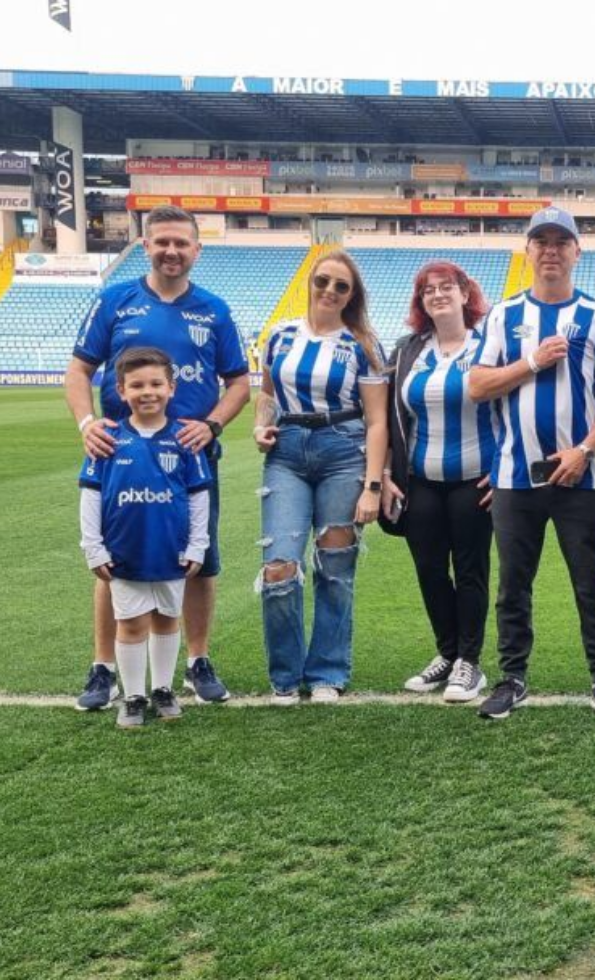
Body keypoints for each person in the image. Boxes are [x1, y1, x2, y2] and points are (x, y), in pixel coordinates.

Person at [65, 204, 250, 712]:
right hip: (120, 455)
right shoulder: (115, 301)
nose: (172, 251)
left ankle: (197, 660)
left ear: (197, 249)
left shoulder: (214, 310)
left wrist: (211, 424)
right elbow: (78, 371)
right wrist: (87, 425)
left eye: (181, 243)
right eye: (162, 241)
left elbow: (239, 383)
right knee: (113, 562)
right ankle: (104, 666)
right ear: (146, 246)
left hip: (190, 458)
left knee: (198, 559)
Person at [467, 205, 595, 723]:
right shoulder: (504, 315)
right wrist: (532, 362)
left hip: (582, 475)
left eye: (562, 242)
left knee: (593, 581)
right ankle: (512, 677)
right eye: (542, 241)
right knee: (513, 582)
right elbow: (477, 384)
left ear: (577, 252)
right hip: (516, 476)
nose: (552, 250)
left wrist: (585, 449)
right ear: (529, 250)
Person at [252, 250, 388, 705]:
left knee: (335, 568)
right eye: (323, 281)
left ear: (352, 296)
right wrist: (260, 425)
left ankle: (328, 672)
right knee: (280, 567)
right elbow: (267, 394)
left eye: (341, 286)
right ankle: (286, 676)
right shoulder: (279, 335)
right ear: (310, 282)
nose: (330, 291)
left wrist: (372, 485)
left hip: (343, 452)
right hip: (287, 453)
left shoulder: (362, 345)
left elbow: (377, 422)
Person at [78, 347, 212, 729]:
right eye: (136, 385)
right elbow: (90, 495)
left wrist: (197, 544)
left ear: (171, 387)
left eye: (156, 383)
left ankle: (163, 689)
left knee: (168, 620)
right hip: (126, 552)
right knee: (132, 624)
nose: (147, 391)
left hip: (170, 550)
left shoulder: (185, 439)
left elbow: (199, 496)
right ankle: (133, 695)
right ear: (121, 391)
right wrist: (93, 547)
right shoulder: (107, 439)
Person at [388, 262, 497, 704]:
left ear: (465, 294)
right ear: (420, 302)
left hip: (475, 477)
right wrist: (384, 474)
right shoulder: (409, 349)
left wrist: (504, 465)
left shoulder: (488, 345)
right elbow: (390, 416)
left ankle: (470, 662)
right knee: (430, 569)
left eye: (446, 287)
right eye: (428, 290)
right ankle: (447, 653)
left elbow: (509, 404)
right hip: (421, 480)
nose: (437, 295)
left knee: (470, 569)